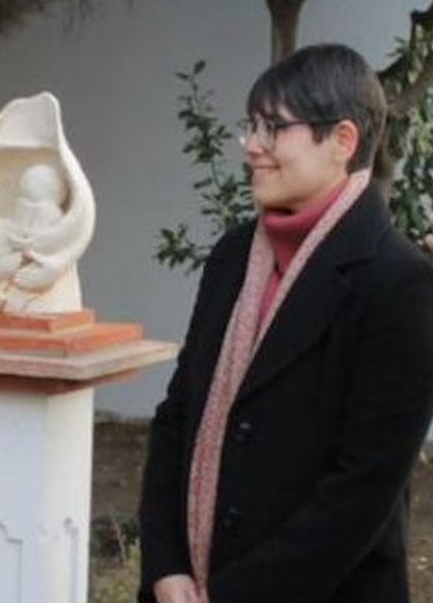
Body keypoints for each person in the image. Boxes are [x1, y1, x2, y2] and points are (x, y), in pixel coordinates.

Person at [138, 43, 433, 603]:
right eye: (250, 126)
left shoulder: (398, 282)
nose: (252, 147)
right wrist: (166, 564)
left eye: (274, 127)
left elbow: (362, 488)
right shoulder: (233, 258)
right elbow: (178, 416)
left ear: (342, 141)